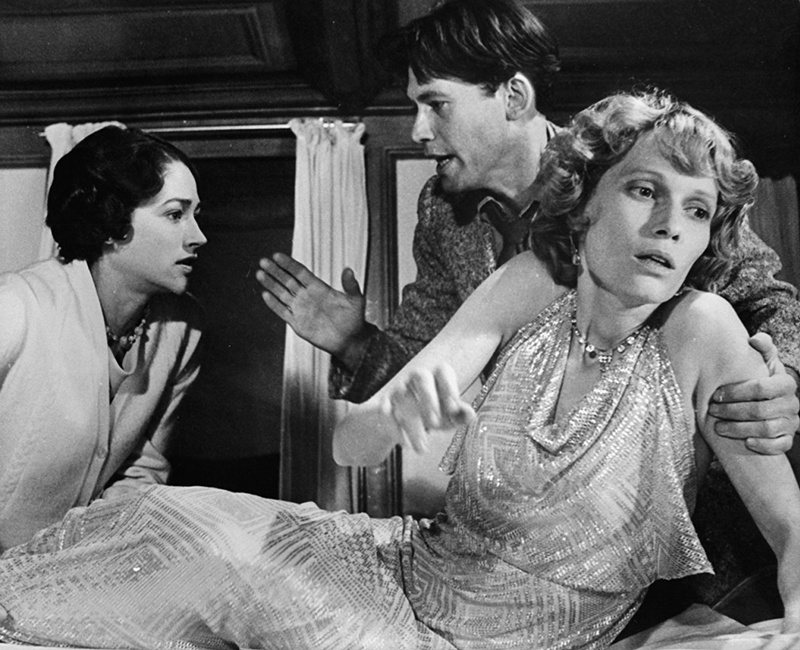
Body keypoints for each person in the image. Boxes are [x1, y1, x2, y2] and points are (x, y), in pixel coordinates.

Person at [0, 90, 798, 650]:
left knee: (226, 571)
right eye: (644, 190)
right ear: (585, 201)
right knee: (185, 527)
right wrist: (398, 409)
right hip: (396, 571)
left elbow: (793, 533)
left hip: (467, 639)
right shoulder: (532, 279)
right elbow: (351, 445)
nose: (669, 225)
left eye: (698, 209)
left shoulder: (704, 331)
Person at [257, 0, 800, 454]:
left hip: (682, 488)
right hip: (533, 491)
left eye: (436, 104)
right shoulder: (442, 211)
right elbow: (425, 367)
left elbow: (771, 300)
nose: (418, 130)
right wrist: (352, 341)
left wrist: (785, 381)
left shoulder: (623, 167)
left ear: (514, 97)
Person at [0, 125, 206, 552]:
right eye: (175, 215)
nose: (198, 236)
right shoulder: (18, 307)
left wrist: (83, 557)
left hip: (72, 571)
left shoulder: (183, 330)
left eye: (195, 215)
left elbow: (142, 471)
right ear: (111, 223)